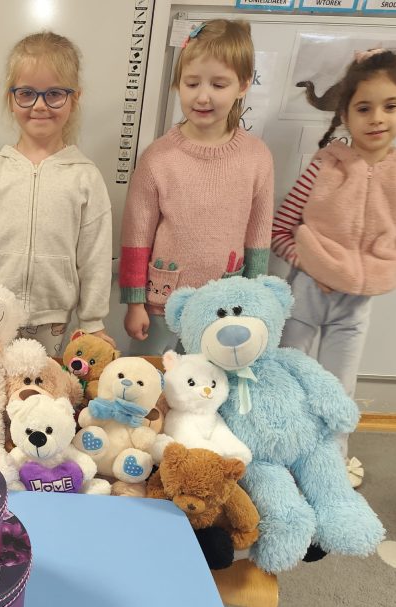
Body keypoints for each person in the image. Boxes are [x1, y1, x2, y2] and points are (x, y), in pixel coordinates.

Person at [271, 49, 396, 487]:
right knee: (288, 378)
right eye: (364, 108)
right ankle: (279, 458)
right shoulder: (324, 167)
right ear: (345, 114)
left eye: (390, 106)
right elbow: (281, 230)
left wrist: (374, 277)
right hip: (306, 293)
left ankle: (329, 469)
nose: (377, 119)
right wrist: (313, 266)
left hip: (356, 306)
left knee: (339, 390)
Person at [0, 31, 113, 356]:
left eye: (54, 94)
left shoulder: (85, 176)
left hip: (53, 320)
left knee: (41, 384)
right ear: (11, 98)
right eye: (27, 93)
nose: (40, 105)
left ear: (74, 98)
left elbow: (95, 258)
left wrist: (93, 320)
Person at [119, 19, 274, 356]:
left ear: (243, 85)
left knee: (209, 383)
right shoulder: (157, 157)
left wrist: (256, 299)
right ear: (178, 84)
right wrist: (134, 302)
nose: (203, 96)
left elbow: (258, 237)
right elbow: (136, 235)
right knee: (148, 378)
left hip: (226, 308)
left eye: (218, 84)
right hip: (161, 306)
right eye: (192, 83)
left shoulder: (257, 157)